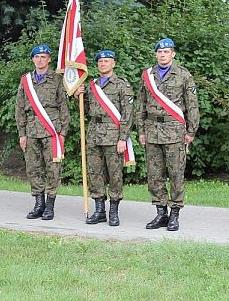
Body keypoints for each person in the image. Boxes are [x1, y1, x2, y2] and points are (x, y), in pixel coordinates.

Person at [136, 38, 200, 231]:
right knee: (154, 175)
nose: (163, 55)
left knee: (176, 174)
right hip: (152, 131)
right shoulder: (147, 75)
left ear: (173, 54)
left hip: (174, 132)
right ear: (156, 54)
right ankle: (160, 213)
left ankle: (175, 213)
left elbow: (192, 105)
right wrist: (141, 130)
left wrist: (191, 131)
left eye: (167, 52)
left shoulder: (183, 75)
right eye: (160, 52)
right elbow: (140, 105)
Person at [74, 50, 134, 226]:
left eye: (107, 61)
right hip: (94, 135)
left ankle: (113, 211)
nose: (103, 64)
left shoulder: (122, 84)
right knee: (95, 174)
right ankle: (99, 210)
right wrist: (79, 95)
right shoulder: (92, 85)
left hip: (113, 136)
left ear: (113, 63)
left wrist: (123, 138)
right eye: (100, 61)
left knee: (115, 174)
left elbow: (128, 114)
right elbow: (85, 109)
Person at [15, 45, 70, 220]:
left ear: (49, 59)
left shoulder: (57, 80)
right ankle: (39, 204)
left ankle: (50, 205)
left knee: (53, 168)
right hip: (31, 130)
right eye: (37, 57)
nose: (40, 60)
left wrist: (62, 133)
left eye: (43, 57)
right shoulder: (26, 81)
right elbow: (19, 108)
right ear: (33, 59)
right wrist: (22, 133)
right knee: (33, 167)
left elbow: (64, 108)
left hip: (52, 130)